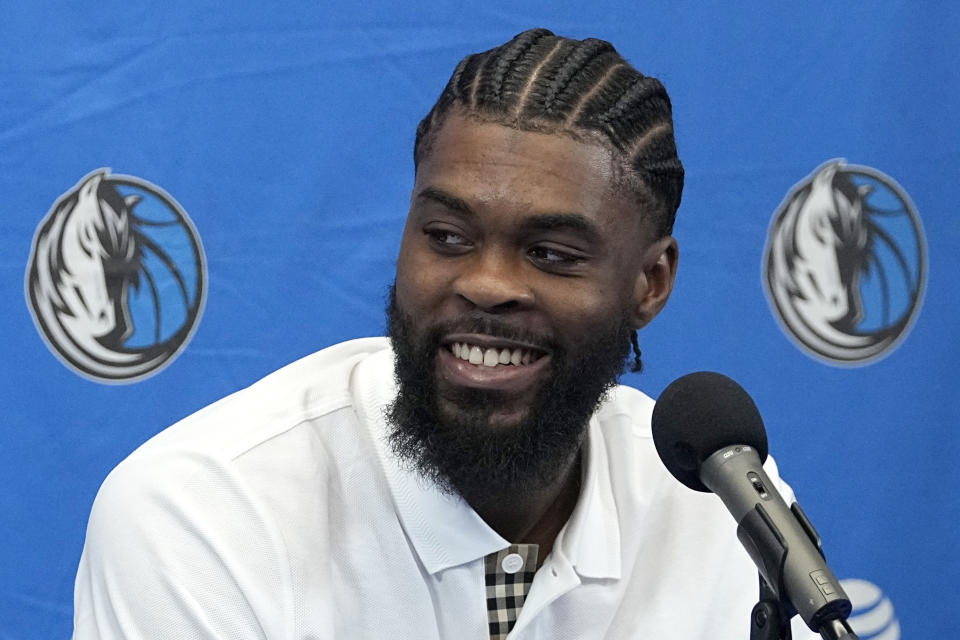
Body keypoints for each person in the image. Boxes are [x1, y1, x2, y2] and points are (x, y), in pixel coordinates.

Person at [73, 28, 816, 639]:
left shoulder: (720, 507)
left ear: (649, 283)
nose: (486, 285)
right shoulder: (201, 516)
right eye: (447, 235)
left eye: (550, 253)